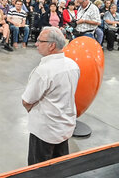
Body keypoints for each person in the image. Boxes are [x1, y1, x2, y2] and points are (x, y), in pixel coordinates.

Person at [22, 27, 79, 165]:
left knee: (39, 169)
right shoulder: (73, 65)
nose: (36, 44)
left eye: (40, 41)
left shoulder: (43, 71)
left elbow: (27, 101)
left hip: (45, 131)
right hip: (64, 127)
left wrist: (32, 109)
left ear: (51, 45)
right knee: (60, 166)